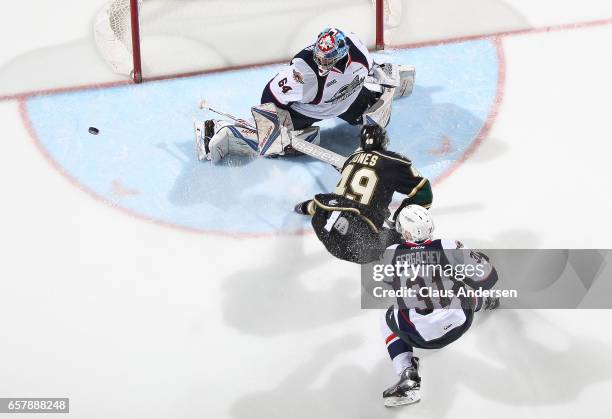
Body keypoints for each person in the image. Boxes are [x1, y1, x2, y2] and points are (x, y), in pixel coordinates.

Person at [195, 27, 415, 163]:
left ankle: (392, 81)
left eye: (327, 60)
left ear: (342, 55)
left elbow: (370, 65)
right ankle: (221, 130)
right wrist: (274, 126)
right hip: (306, 112)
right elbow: (270, 93)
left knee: (377, 117)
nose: (321, 63)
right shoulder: (303, 73)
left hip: (348, 99)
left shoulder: (357, 50)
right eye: (319, 57)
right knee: (278, 147)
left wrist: (382, 74)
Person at [378, 205, 499, 407]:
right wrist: (477, 259)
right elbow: (489, 278)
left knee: (386, 312)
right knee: (456, 287)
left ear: (405, 231)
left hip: (422, 337)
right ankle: (484, 301)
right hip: (462, 321)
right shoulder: (449, 245)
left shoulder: (391, 254)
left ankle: (407, 373)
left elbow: (394, 288)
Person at [294, 124, 432, 264]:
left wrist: (310, 207)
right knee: (407, 238)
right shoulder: (394, 161)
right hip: (360, 243)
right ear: (384, 141)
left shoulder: (351, 159)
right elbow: (424, 193)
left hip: (323, 226)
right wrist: (400, 221)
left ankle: (308, 207)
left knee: (336, 202)